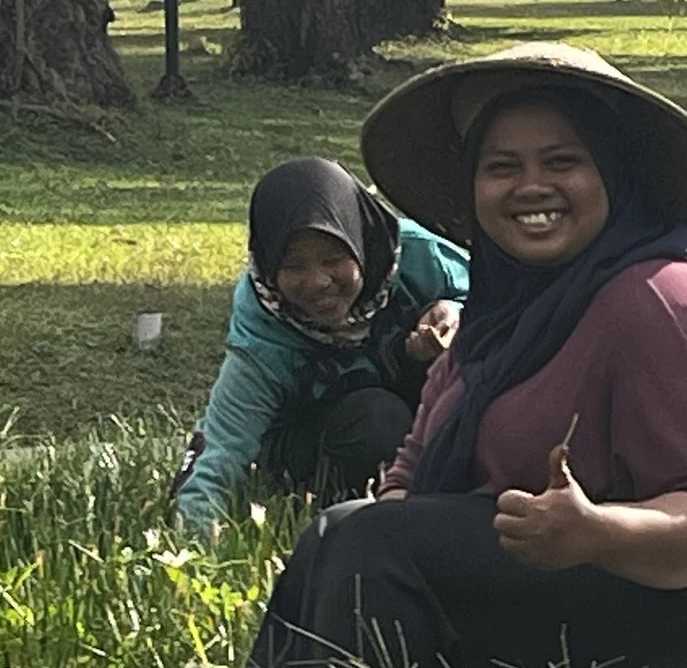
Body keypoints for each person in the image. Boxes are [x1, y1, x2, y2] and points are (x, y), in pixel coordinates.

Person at [245, 41, 687, 668]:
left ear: (613, 173)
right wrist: (379, 535)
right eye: (502, 168)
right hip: (559, 587)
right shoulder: (499, 316)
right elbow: (411, 474)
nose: (531, 187)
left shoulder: (664, 301)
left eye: (562, 162)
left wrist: (596, 532)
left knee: (373, 546)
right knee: (337, 534)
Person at [174, 159, 468, 530]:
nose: (317, 282)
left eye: (333, 259)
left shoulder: (420, 257)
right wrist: (193, 538)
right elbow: (222, 445)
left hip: (429, 423)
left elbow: (508, 307)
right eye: (294, 266)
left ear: (361, 243)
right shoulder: (265, 321)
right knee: (379, 418)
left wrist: (459, 315)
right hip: (324, 441)